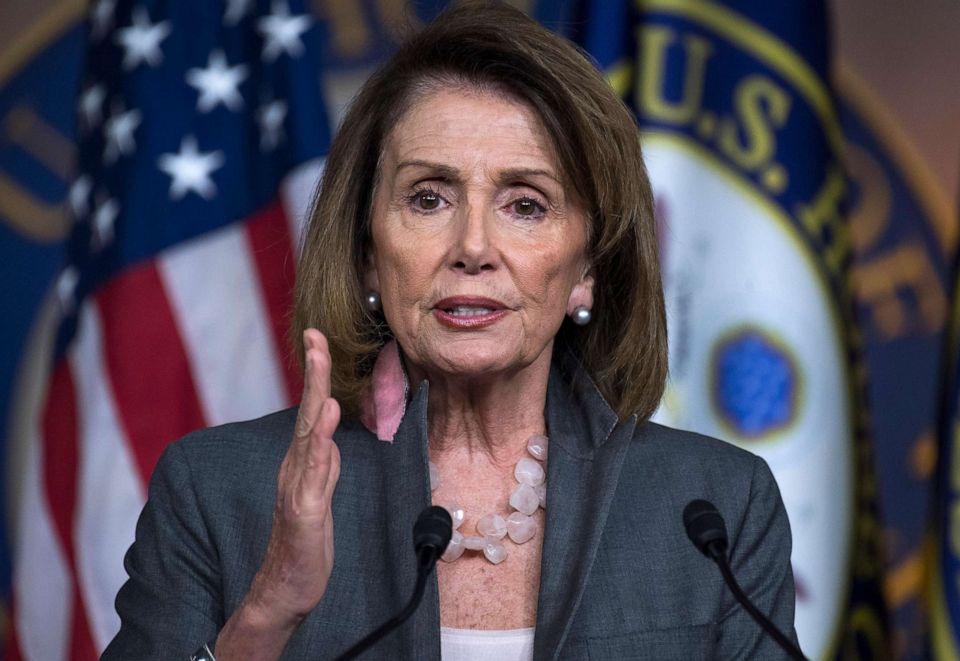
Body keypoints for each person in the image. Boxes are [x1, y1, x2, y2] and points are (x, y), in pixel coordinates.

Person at [103, 2, 798, 659]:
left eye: (526, 204)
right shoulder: (217, 489)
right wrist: (267, 612)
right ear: (369, 251)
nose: (473, 245)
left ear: (587, 268)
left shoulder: (714, 507)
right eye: (428, 197)